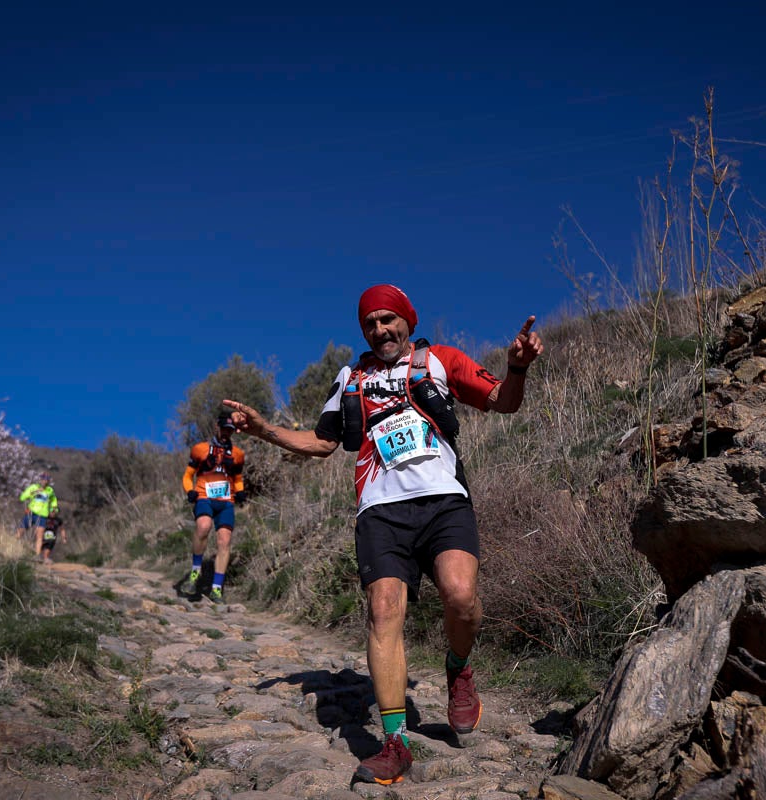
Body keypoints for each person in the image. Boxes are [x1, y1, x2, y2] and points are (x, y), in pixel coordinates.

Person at [223, 283, 542, 785]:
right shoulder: (350, 378)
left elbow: (503, 401)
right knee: (383, 611)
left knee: (461, 597)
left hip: (444, 501)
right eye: (370, 323)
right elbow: (323, 442)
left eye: (388, 319)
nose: (380, 330)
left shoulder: (440, 361)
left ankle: (458, 667)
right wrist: (265, 430)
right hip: (380, 510)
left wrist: (517, 368)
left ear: (408, 321)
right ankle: (395, 743)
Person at [179, 412, 246, 603]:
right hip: (204, 496)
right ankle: (195, 572)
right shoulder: (200, 449)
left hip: (226, 501)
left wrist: (241, 491)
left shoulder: (238, 454)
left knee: (224, 541)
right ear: (217, 427)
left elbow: (237, 478)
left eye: (230, 430)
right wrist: (190, 491)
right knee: (203, 526)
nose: (226, 433)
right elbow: (188, 475)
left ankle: (216, 588)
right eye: (224, 429)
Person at [19, 472, 59, 559]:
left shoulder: (50, 490)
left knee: (39, 536)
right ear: (40, 480)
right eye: (43, 479)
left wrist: (53, 509)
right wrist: (35, 492)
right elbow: (22, 497)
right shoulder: (33, 487)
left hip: (42, 515)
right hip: (31, 513)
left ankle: (36, 556)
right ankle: (12, 548)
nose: (45, 481)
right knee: (20, 532)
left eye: (47, 480)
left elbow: (53, 500)